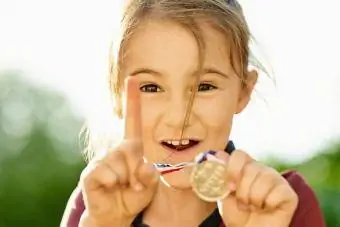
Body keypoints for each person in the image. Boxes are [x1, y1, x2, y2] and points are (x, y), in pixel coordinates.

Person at [61, 0, 326, 226]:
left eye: (205, 86)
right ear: (117, 97)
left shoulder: (286, 205)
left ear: (243, 92)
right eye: (151, 87)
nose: (179, 117)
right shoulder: (94, 205)